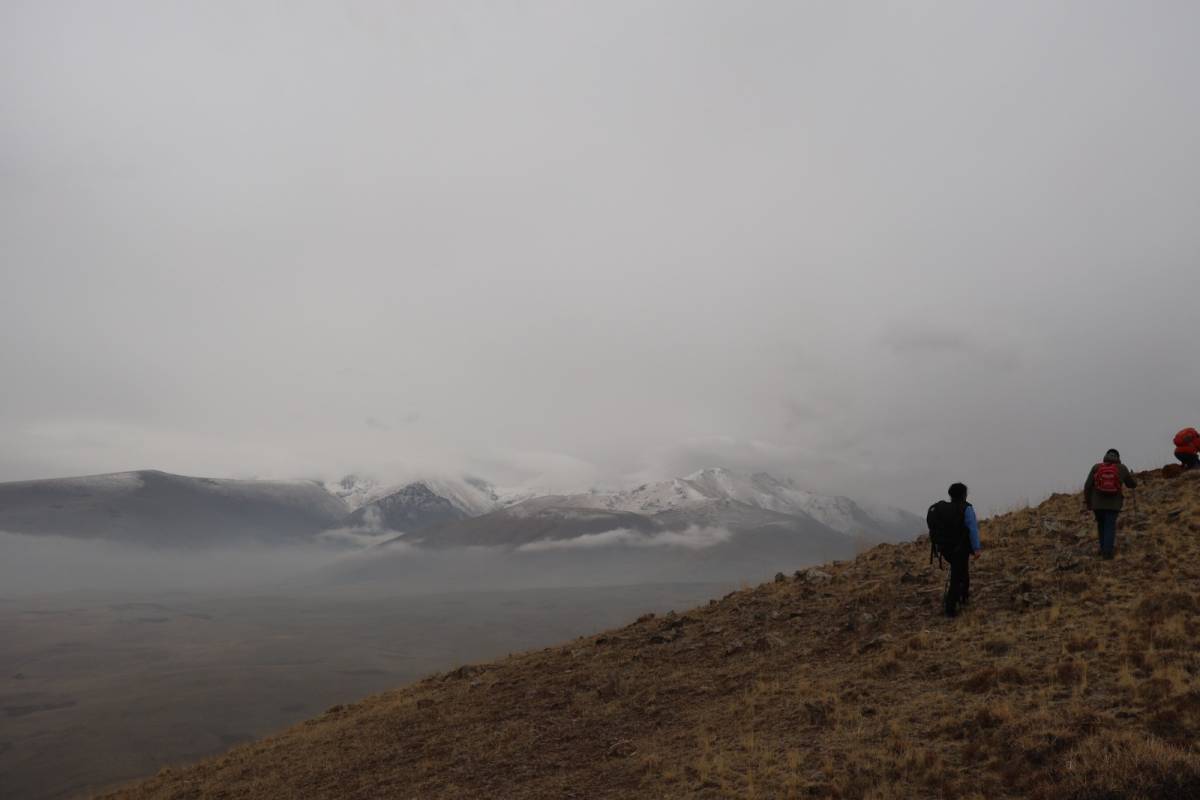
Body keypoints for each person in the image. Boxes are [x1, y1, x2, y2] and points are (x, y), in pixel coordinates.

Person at [926, 482, 981, 618]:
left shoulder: (943, 509)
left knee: (960, 569)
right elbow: (972, 529)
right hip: (961, 548)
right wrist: (976, 548)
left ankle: (964, 596)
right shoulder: (966, 509)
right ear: (964, 494)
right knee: (957, 576)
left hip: (945, 548)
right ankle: (951, 608)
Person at [1083, 449, 1137, 559]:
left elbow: (1087, 486)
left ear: (1105, 456)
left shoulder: (1096, 467)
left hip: (1097, 504)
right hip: (1113, 504)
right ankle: (1107, 553)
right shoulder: (1122, 468)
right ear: (1118, 457)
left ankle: (1103, 549)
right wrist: (1133, 478)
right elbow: (1131, 484)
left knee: (1101, 525)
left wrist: (1089, 503)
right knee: (1110, 526)